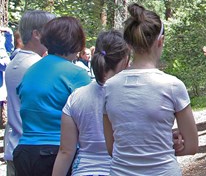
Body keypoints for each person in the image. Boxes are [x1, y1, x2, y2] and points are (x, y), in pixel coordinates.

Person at [103, 3, 198, 175]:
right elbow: (191, 146)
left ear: (129, 44)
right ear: (161, 41)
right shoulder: (173, 86)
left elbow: (112, 148)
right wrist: (163, 145)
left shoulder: (109, 88)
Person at [13, 16, 91, 176]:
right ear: (76, 43)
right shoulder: (77, 74)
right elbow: (89, 118)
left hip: (24, 152)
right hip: (58, 154)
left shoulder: (31, 71)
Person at [52, 30, 131, 176]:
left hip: (84, 171)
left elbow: (65, 152)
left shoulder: (76, 97)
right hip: (121, 170)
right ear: (126, 60)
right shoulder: (133, 98)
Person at [4, 10, 56, 176]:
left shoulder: (15, 62)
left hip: (16, 148)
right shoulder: (36, 67)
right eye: (51, 31)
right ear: (36, 34)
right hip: (32, 154)